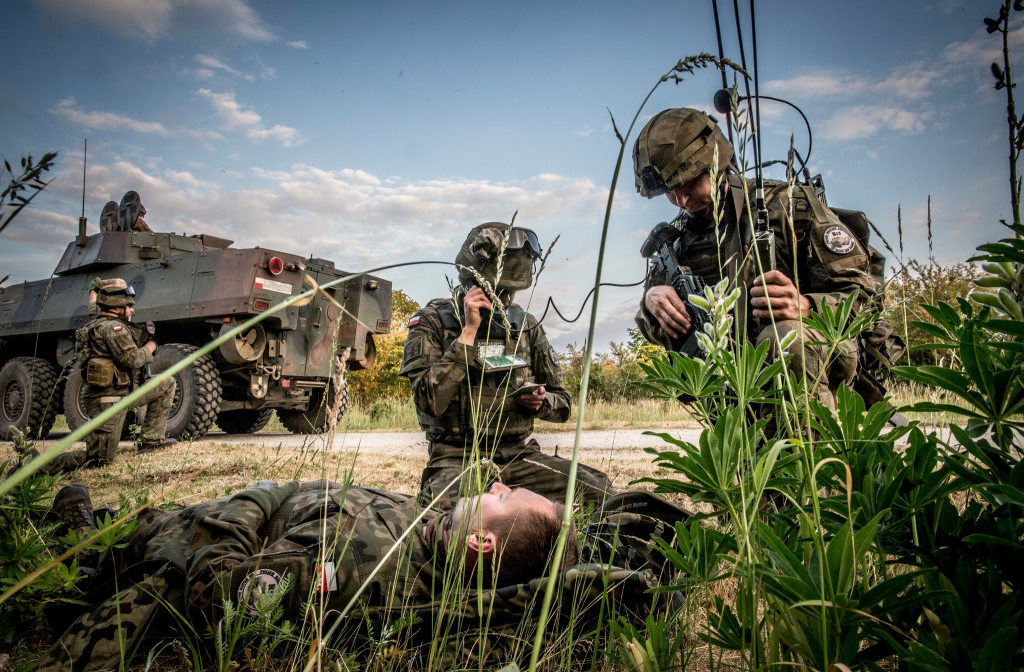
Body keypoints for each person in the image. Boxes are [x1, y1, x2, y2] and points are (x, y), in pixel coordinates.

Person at [35, 479, 577, 671]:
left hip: (178, 541)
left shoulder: (357, 566)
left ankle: (81, 544)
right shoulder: (435, 529)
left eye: (505, 498)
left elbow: (214, 588)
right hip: (220, 513)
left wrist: (255, 500)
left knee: (96, 549)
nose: (499, 484)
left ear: (482, 543)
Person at [632, 108, 877, 410]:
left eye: (688, 181)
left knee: (784, 340)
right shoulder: (676, 241)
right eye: (670, 190)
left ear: (715, 162)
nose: (680, 200)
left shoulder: (788, 206)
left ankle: (806, 453)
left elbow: (864, 294)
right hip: (734, 387)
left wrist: (807, 306)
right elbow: (650, 326)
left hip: (817, 365)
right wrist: (651, 303)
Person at [400, 222, 615, 510]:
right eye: (500, 291)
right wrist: (468, 333)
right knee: (449, 521)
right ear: (472, 283)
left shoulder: (526, 326)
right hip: (456, 459)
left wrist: (540, 401)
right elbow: (430, 401)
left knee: (601, 493)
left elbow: (563, 404)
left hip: (520, 456)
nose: (508, 299)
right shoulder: (432, 322)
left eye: (513, 292)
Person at [43, 279, 176, 474]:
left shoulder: (98, 321)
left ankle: (151, 440)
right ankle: (36, 466)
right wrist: (151, 346)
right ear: (116, 308)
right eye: (128, 306)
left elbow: (94, 308)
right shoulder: (114, 329)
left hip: (124, 393)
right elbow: (133, 359)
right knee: (98, 460)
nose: (132, 310)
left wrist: (95, 289)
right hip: (108, 400)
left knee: (166, 383)